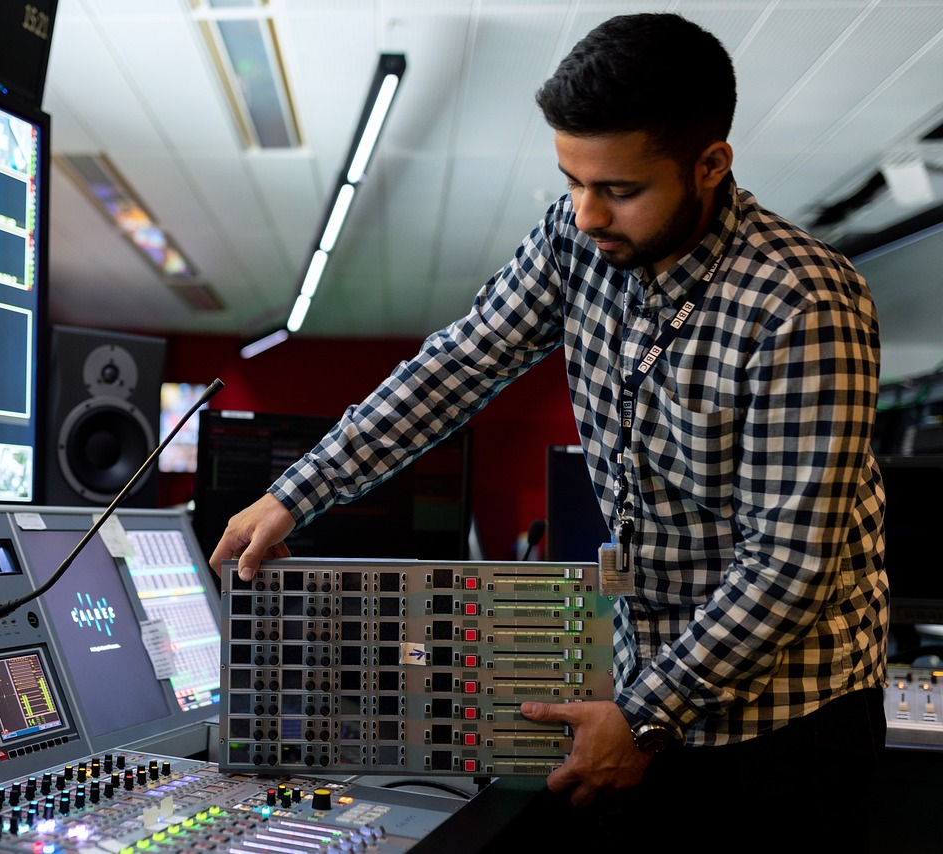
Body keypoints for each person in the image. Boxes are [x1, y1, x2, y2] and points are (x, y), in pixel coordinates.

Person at [208, 12, 888, 851]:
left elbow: (789, 567)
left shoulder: (805, 302)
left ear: (710, 166)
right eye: (571, 180)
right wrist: (296, 491)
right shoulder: (577, 239)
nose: (587, 213)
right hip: (650, 688)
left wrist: (639, 718)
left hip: (788, 724)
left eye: (620, 190)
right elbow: (459, 365)